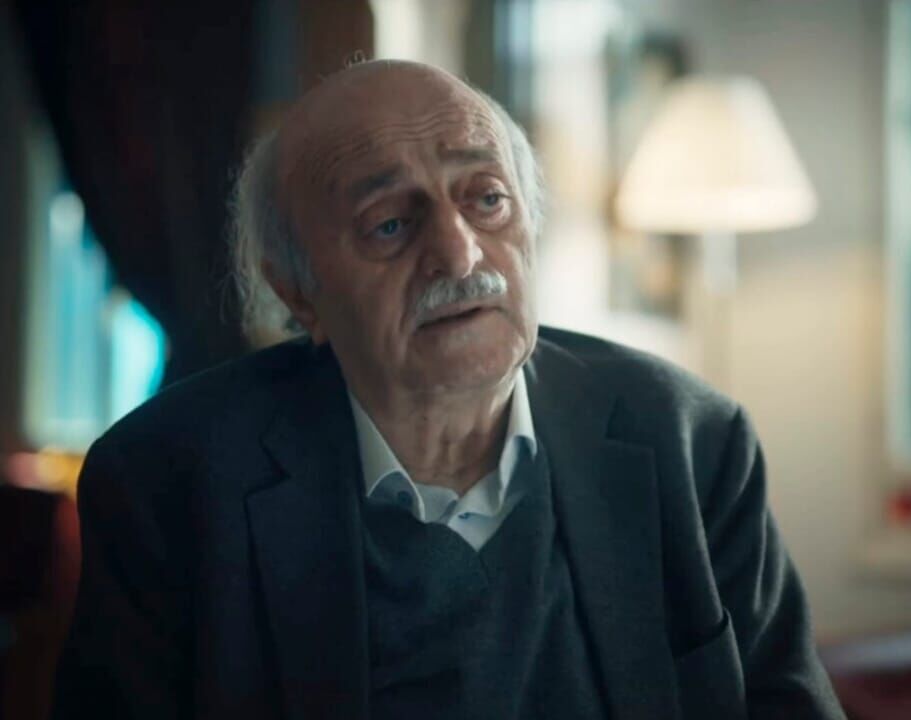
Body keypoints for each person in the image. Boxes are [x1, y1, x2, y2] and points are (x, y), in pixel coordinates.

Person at [52, 60, 843, 719]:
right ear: (297, 291)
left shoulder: (694, 439)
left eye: (486, 199)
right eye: (390, 223)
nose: (460, 256)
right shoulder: (167, 483)